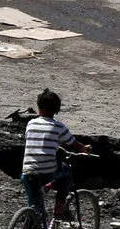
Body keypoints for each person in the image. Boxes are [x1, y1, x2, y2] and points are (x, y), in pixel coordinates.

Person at [20, 88, 91, 220]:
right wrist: (85, 149)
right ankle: (59, 210)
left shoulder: (30, 123)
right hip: (46, 173)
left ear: (39, 107)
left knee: (34, 205)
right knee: (65, 172)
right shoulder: (59, 127)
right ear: (56, 110)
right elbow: (76, 145)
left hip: (27, 171)